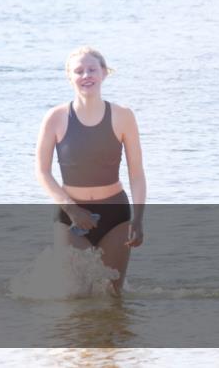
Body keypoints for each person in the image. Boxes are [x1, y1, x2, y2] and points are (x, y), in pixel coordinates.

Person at [35, 46, 146, 296]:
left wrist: (138, 218)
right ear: (69, 76)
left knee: (113, 296)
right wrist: (72, 210)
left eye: (92, 69)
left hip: (116, 216)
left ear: (104, 73)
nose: (86, 75)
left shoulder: (123, 116)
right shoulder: (55, 117)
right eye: (79, 71)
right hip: (70, 217)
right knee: (75, 296)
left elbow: (136, 174)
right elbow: (42, 172)